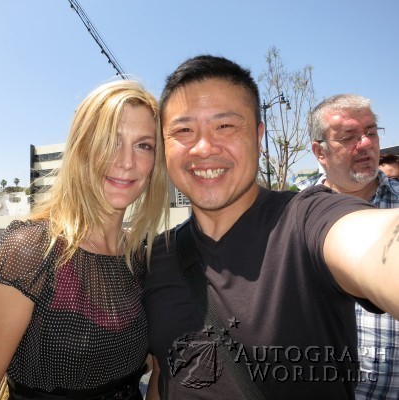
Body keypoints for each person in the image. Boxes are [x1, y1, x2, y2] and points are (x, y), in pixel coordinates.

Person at [143, 55, 399, 399]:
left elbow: (374, 244)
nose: (204, 148)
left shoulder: (306, 219)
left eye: (225, 126)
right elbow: (163, 374)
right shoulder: (155, 257)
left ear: (258, 136)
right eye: (184, 130)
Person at [0, 79, 169, 400]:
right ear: (82, 150)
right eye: (110, 141)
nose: (126, 161)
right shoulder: (30, 249)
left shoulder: (140, 258)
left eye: (144, 145)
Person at [304, 94, 399, 399]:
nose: (366, 143)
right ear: (320, 151)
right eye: (349, 137)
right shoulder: (292, 218)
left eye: (371, 132)